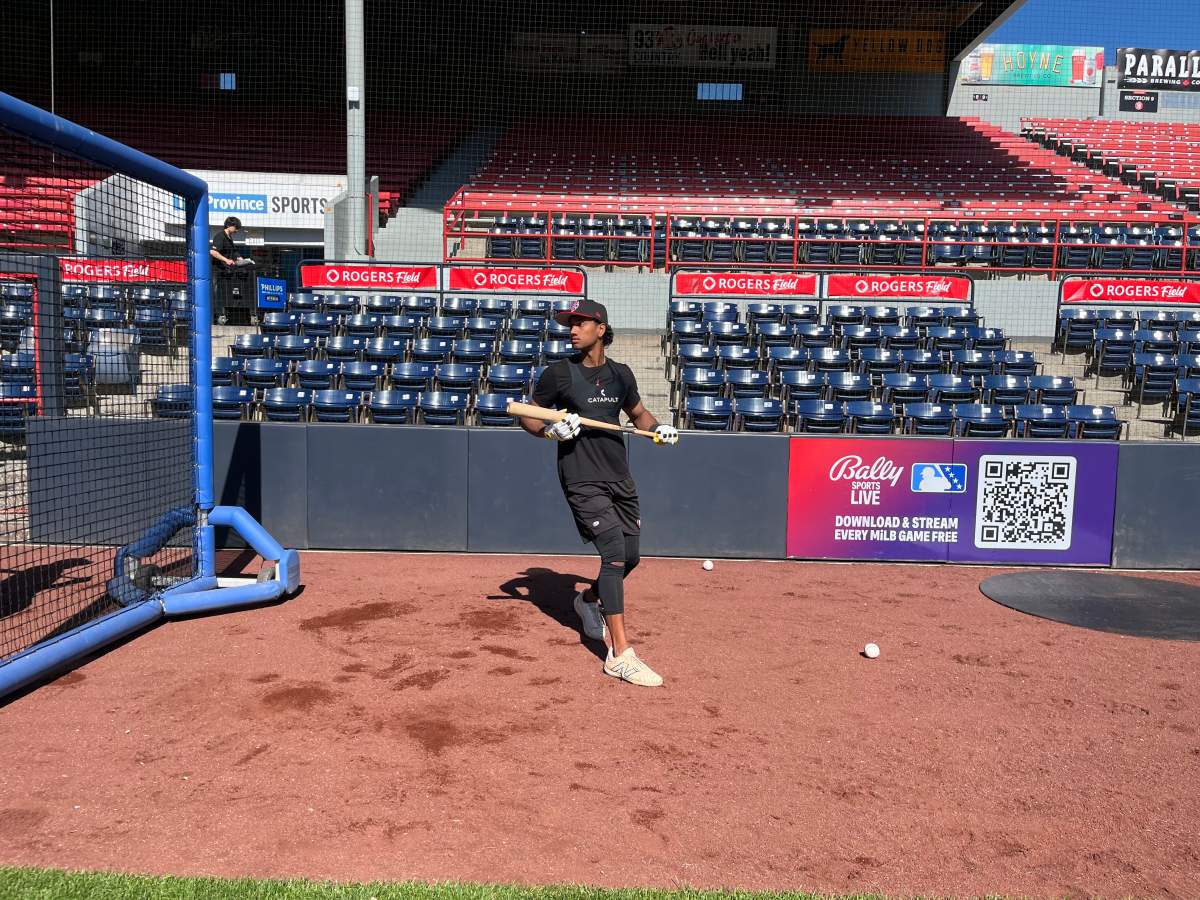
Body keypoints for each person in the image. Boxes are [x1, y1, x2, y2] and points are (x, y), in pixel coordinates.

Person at [519, 298, 678, 687]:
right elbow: (527, 414)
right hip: (581, 476)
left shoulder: (622, 374)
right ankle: (621, 654)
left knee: (630, 557)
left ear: (601, 329)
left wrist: (660, 428)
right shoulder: (558, 374)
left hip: (619, 476)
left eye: (580, 323)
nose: (572, 330)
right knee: (611, 550)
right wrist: (550, 430)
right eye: (570, 324)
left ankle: (588, 599)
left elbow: (639, 414)